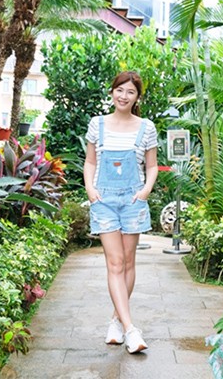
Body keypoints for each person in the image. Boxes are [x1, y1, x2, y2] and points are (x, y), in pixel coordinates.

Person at [84, 71, 159, 354]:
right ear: (112, 92)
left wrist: (145, 191)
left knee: (128, 262)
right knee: (115, 262)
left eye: (130, 92)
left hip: (133, 200)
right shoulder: (97, 124)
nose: (123, 96)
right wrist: (90, 189)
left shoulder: (146, 127)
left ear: (137, 97)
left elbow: (151, 166)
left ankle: (116, 321)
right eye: (119, 90)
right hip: (103, 199)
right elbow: (90, 161)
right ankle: (131, 329)